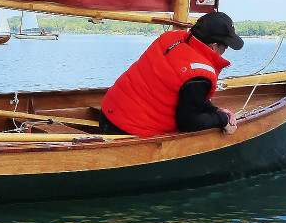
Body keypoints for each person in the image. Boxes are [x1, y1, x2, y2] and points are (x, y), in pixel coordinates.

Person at [99, 11, 244, 137]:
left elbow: (176, 88)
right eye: (226, 45)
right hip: (126, 132)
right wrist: (222, 120)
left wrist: (214, 110)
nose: (226, 50)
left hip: (107, 112)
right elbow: (188, 123)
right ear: (213, 45)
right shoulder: (200, 74)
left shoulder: (170, 38)